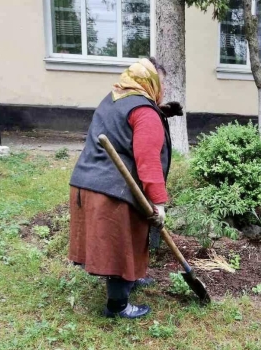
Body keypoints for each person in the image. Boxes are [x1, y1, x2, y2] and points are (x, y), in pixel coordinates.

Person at [68, 58, 183, 318]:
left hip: (86, 183)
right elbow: (148, 162)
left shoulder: (114, 98)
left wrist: (159, 112)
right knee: (119, 246)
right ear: (148, 82)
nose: (162, 88)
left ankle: (132, 277)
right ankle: (117, 306)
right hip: (110, 191)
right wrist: (159, 203)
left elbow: (122, 125)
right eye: (160, 82)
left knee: (131, 236)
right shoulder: (144, 113)